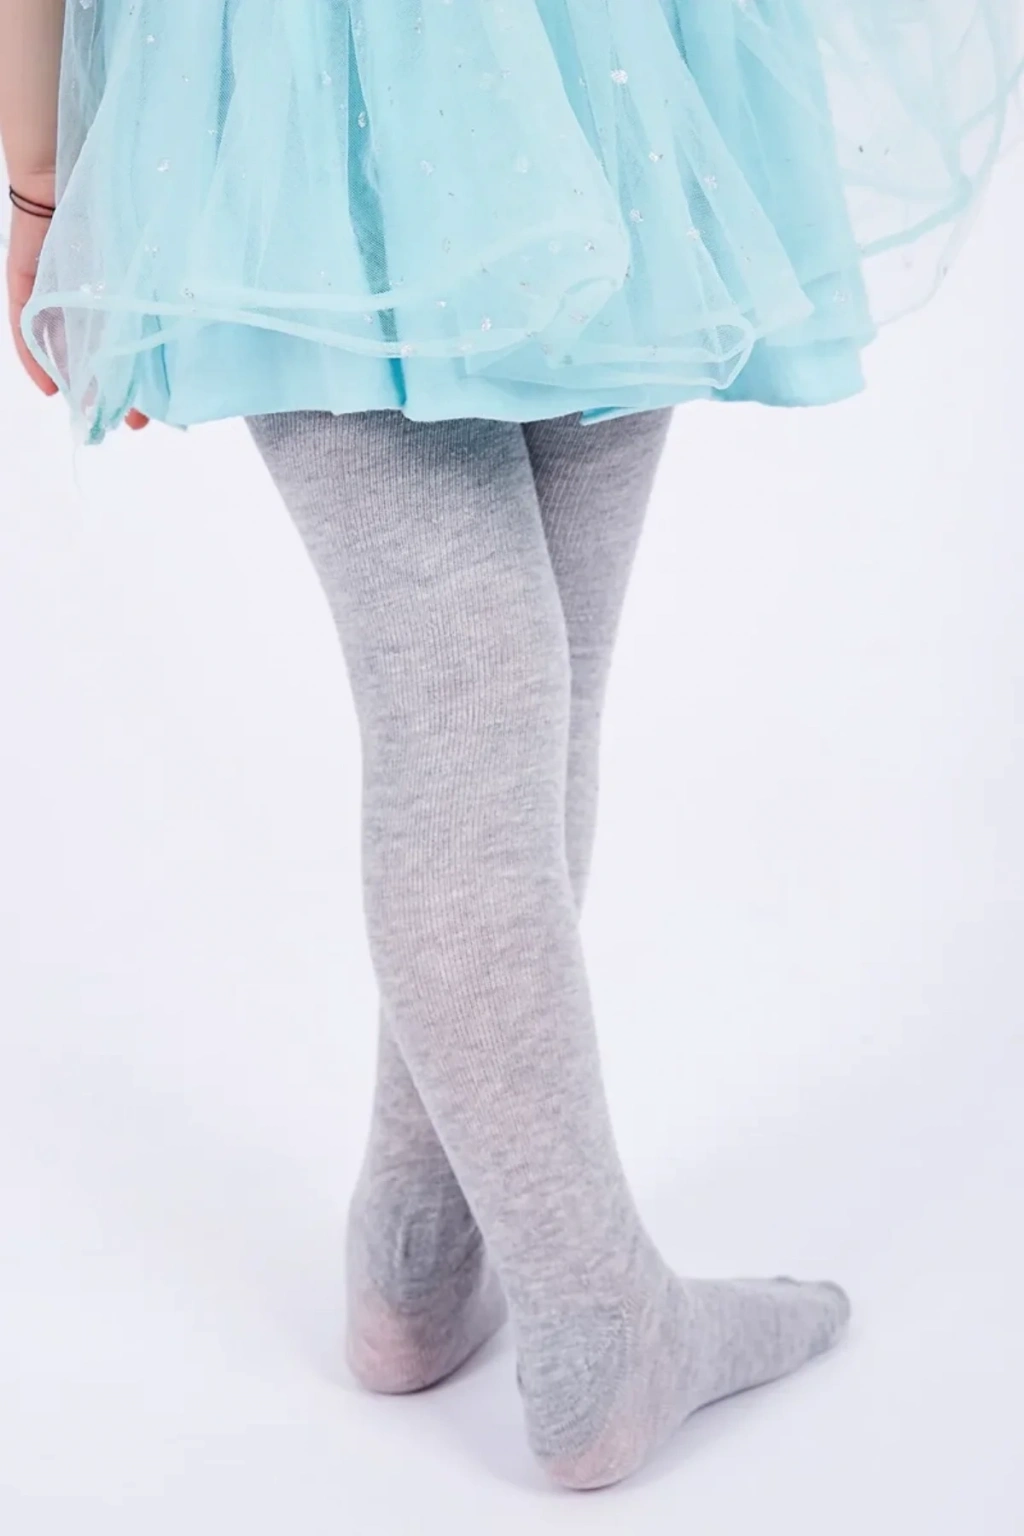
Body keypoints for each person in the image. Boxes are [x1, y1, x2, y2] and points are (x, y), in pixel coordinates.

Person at [2, 1, 1020, 1494]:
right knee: (483, 703)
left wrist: (43, 171)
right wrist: (46, 183)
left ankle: (420, 1251)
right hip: (544, 46)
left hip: (330, 55)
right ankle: (600, 1317)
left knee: (523, 692)